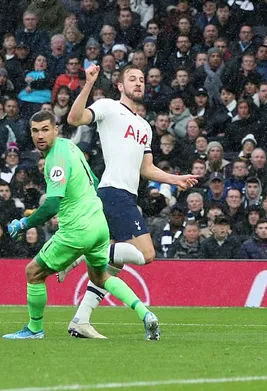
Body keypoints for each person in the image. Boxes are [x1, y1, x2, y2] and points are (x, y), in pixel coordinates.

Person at [62, 64, 199, 338]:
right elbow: (74, 118)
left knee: (112, 268)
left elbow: (146, 168)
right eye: (132, 79)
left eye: (142, 80)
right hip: (113, 192)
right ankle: (85, 254)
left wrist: (176, 179)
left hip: (124, 196)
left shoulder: (144, 126)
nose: (139, 83)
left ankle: (80, 319)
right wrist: (88, 83)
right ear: (120, 86)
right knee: (147, 255)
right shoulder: (108, 107)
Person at [2, 111, 159, 341]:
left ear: (56, 129)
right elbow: (94, 181)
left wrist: (24, 224)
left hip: (77, 230)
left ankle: (34, 329)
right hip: (98, 226)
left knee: (33, 272)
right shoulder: (70, 147)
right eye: (35, 131)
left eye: (46, 129)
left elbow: (52, 204)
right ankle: (145, 314)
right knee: (101, 278)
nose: (40, 135)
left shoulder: (55, 158)